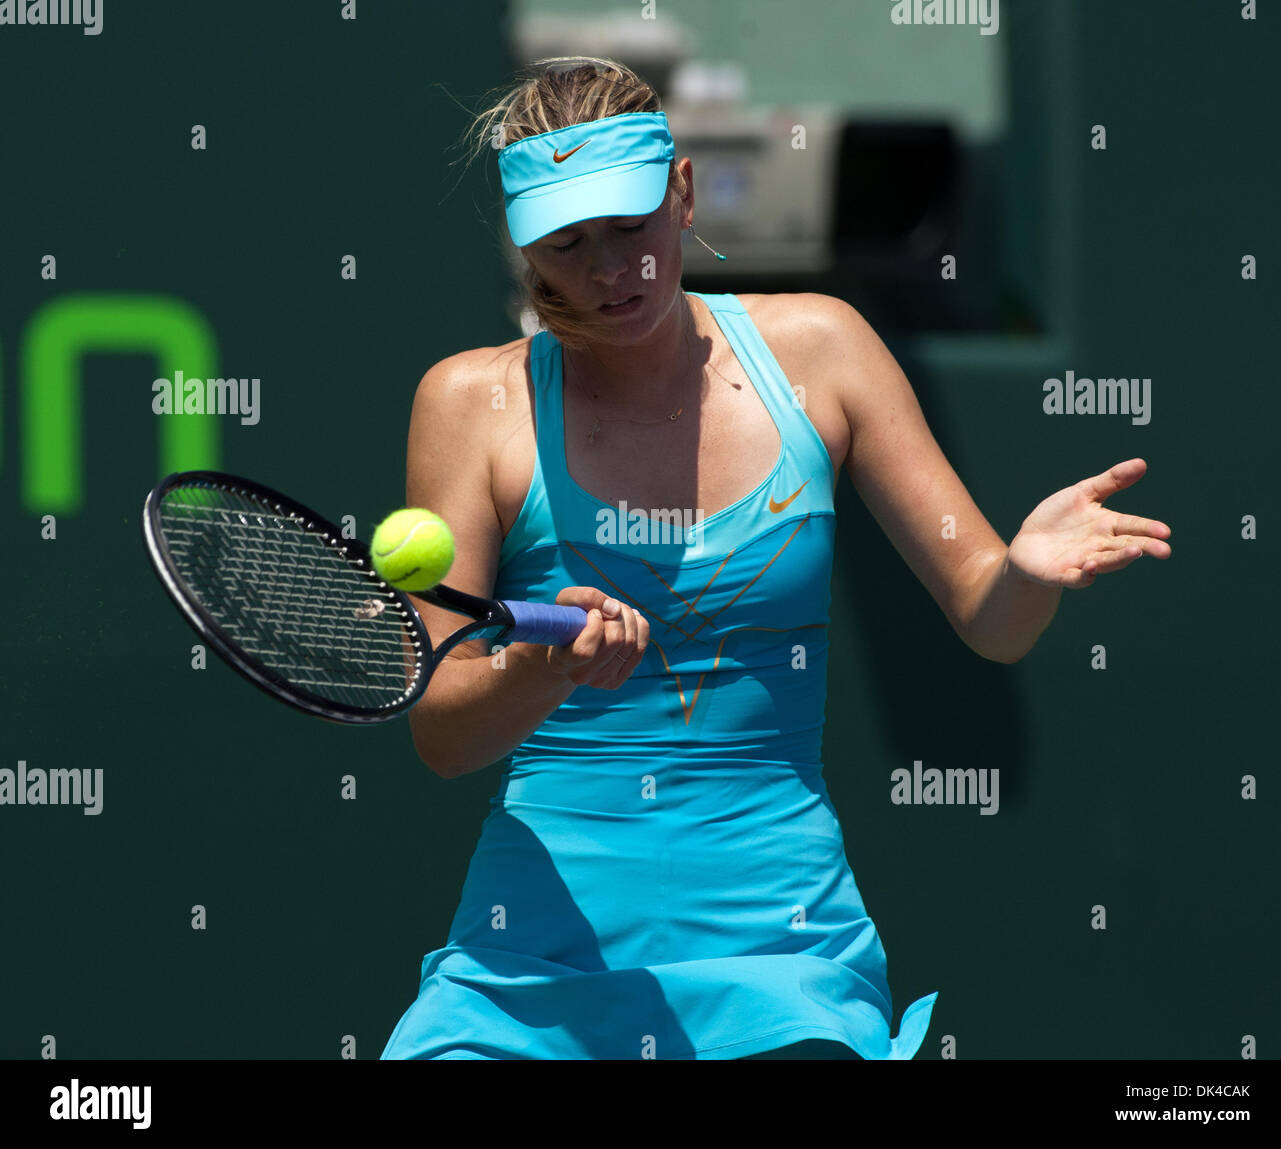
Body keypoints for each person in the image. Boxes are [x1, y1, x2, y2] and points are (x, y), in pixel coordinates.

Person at [380, 57, 1172, 1060]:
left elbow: (989, 616)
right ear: (526, 247)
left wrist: (1021, 573)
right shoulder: (467, 403)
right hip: (531, 956)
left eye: (628, 225)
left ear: (681, 193)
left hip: (780, 943)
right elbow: (443, 737)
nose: (608, 268)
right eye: (567, 242)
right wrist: (544, 667)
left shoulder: (824, 349)